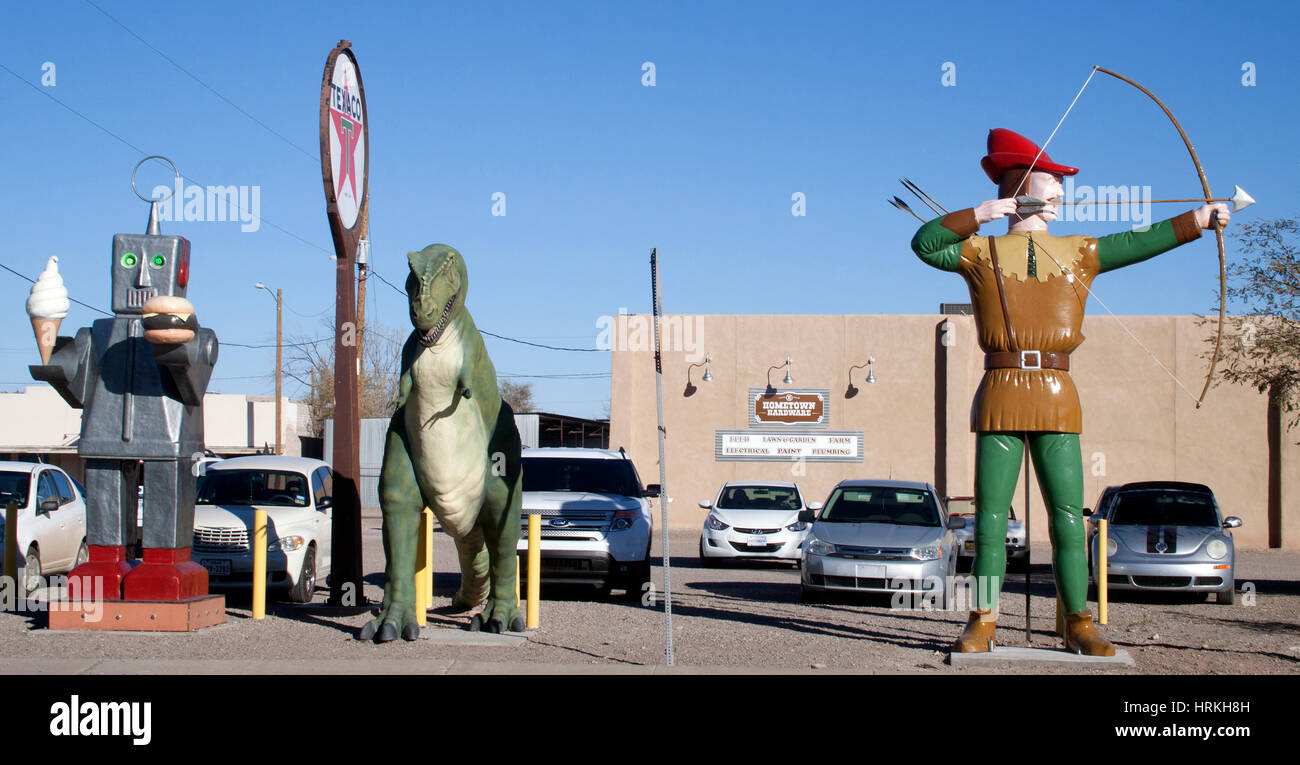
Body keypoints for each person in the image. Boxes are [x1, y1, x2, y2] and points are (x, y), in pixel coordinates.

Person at [911, 128, 1230, 655]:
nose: (1060, 194)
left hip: (1057, 391)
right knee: (991, 515)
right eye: (1051, 182)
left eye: (1060, 184)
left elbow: (1138, 241)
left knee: (1067, 512)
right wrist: (984, 212)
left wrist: (1198, 220)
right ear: (1022, 190)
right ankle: (983, 617)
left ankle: (1078, 619)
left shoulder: (1079, 251)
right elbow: (925, 243)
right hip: (1000, 389)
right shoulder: (980, 252)